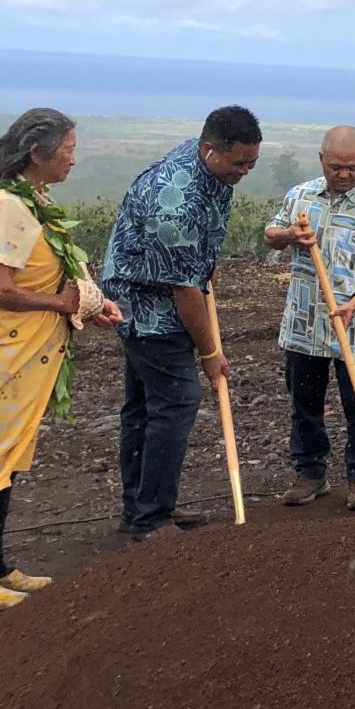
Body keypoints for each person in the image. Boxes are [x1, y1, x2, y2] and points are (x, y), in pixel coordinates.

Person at [0, 108, 122, 609]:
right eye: (67, 151)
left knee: (7, 459)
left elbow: (47, 272)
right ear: (37, 154)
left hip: (22, 358)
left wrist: (89, 302)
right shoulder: (5, 208)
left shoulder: (33, 203)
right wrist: (62, 304)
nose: (73, 160)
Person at [100, 105, 260, 541]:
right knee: (177, 402)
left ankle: (141, 508)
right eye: (239, 163)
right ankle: (150, 519)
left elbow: (190, 268)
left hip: (156, 291)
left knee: (143, 407)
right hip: (148, 309)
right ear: (210, 150)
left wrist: (203, 262)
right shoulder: (177, 202)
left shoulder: (206, 165)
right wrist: (211, 355)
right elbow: (185, 292)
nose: (245, 171)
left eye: (252, 163)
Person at [260, 126, 355, 510]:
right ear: (321, 159)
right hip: (305, 322)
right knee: (304, 402)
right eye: (337, 167)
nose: (344, 174)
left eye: (353, 167)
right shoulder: (301, 196)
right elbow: (270, 232)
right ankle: (310, 473)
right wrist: (290, 234)